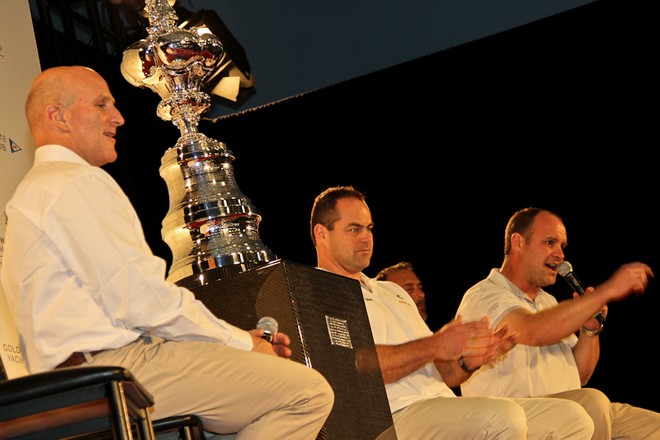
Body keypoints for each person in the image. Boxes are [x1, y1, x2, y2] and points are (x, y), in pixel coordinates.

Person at [0, 65, 334, 439]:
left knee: (236, 418)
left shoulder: (36, 192)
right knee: (307, 393)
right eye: (101, 105)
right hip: (114, 370)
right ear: (57, 116)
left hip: (84, 377)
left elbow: (128, 308)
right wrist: (243, 344)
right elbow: (143, 301)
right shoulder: (72, 182)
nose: (119, 118)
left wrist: (240, 344)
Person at [310, 185, 596, 439]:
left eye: (369, 228)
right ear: (322, 234)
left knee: (574, 419)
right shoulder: (319, 292)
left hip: (440, 404)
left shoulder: (392, 292)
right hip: (392, 417)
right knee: (503, 419)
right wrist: (436, 343)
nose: (366, 238)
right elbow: (354, 368)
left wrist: (467, 362)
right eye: (354, 229)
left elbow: (442, 373)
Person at [456, 206, 660, 439]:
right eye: (550, 243)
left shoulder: (549, 302)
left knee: (654, 426)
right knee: (591, 403)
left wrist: (589, 330)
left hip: (576, 410)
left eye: (562, 246)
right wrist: (605, 292)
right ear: (518, 242)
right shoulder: (485, 295)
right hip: (515, 419)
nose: (560, 255)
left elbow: (580, 376)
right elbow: (533, 331)